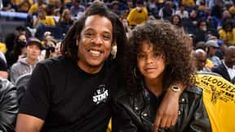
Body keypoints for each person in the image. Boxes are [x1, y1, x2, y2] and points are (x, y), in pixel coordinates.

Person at [16, 2, 185, 132]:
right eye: (89, 34)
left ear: (112, 44)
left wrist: (174, 92)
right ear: (77, 38)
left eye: (105, 37)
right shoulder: (48, 72)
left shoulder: (117, 70)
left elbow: (180, 66)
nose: (97, 41)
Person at [112, 20, 212, 132]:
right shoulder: (123, 100)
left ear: (169, 56)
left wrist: (174, 93)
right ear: (134, 59)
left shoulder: (193, 96)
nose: (149, 61)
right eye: (142, 55)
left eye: (156, 54)